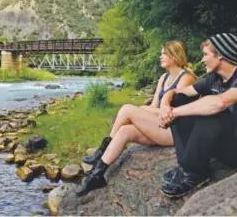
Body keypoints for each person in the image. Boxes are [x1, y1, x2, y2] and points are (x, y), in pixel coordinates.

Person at [75, 40, 197, 196]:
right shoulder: (164, 78)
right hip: (159, 126)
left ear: (174, 56)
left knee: (127, 109)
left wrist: (140, 111)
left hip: (175, 131)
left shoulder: (186, 78)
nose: (160, 57)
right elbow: (155, 106)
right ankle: (96, 176)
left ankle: (101, 150)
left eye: (164, 53)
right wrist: (143, 112)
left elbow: (174, 111)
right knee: (125, 131)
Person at [158, 33, 237, 198]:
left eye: (206, 55)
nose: (202, 60)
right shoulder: (215, 78)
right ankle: (185, 167)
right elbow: (178, 92)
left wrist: (173, 113)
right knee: (179, 100)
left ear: (220, 55)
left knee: (214, 112)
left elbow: (219, 103)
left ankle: (194, 172)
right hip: (227, 144)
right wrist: (165, 105)